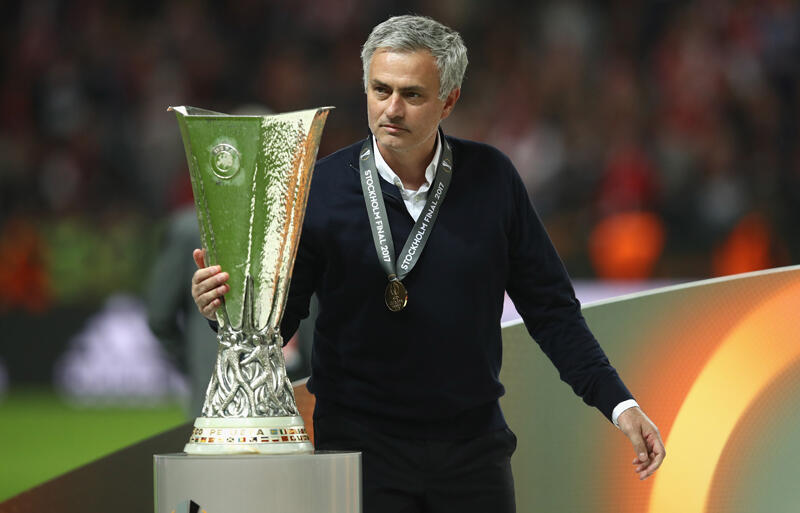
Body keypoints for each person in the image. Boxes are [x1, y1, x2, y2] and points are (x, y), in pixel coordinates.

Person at [191, 15, 665, 513]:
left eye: (412, 94)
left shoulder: (493, 180)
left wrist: (620, 405)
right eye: (380, 90)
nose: (392, 109)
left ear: (449, 101)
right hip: (358, 452)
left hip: (472, 455)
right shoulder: (318, 188)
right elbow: (276, 324)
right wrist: (225, 308)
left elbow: (553, 312)